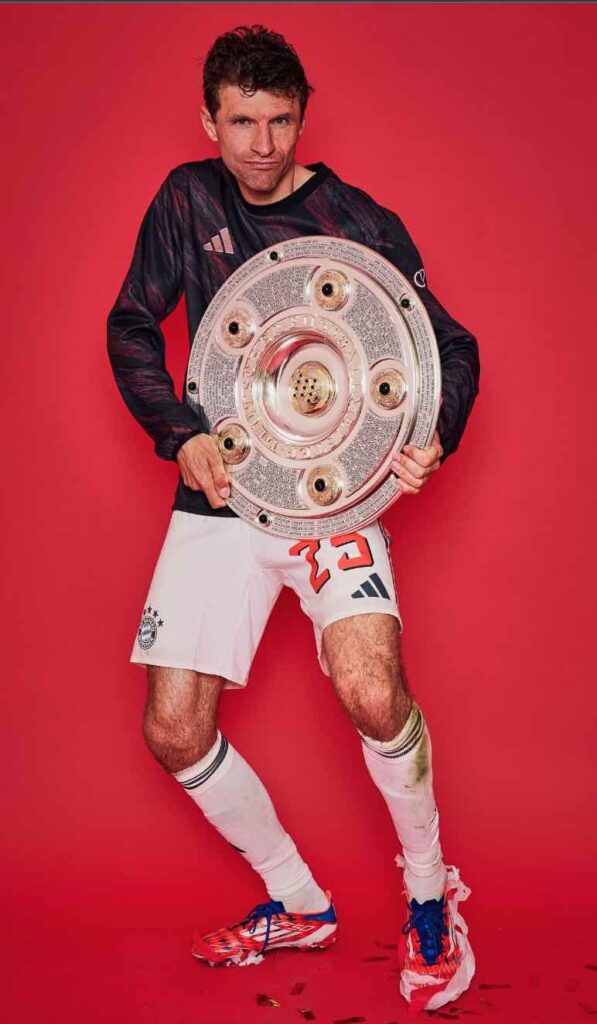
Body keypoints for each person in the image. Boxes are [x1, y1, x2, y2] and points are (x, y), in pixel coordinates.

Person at [107, 24, 480, 1013]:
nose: (262, 145)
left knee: (370, 690)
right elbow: (132, 324)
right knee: (172, 729)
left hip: (332, 498)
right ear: (209, 121)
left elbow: (449, 346)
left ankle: (430, 897)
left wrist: (433, 432)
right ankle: (299, 902)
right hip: (223, 490)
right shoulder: (186, 201)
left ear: (304, 114)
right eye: (242, 123)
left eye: (279, 121)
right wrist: (178, 432)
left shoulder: (354, 218)